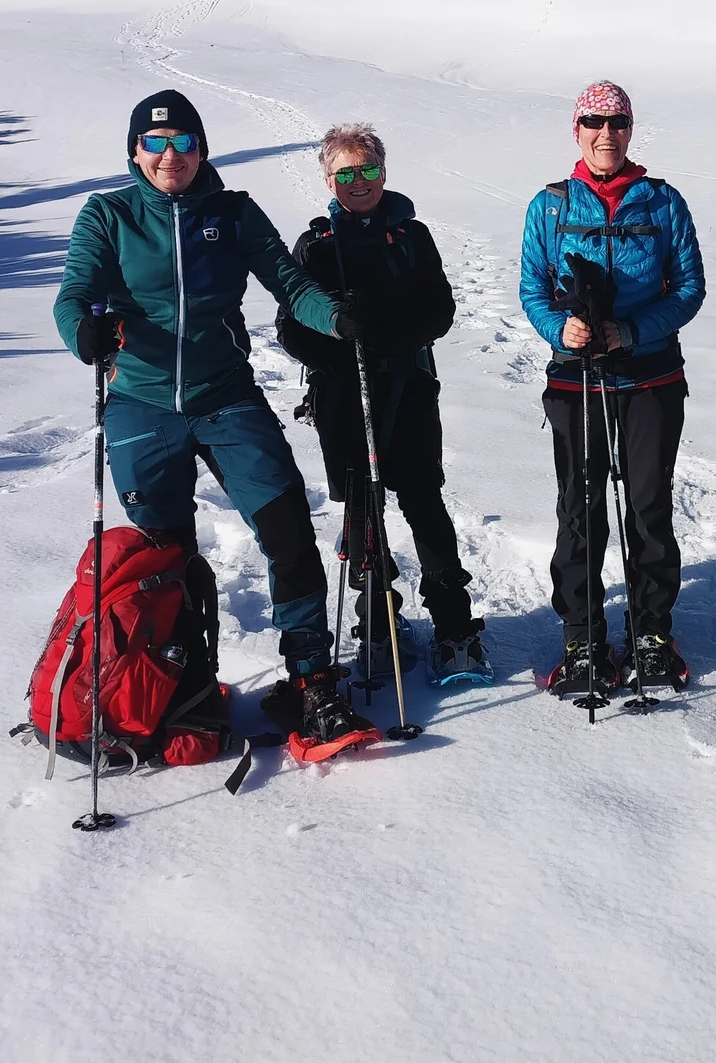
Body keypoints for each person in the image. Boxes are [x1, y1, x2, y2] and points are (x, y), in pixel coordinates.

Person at [53, 89, 381, 761]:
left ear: (201, 148)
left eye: (183, 141)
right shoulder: (107, 215)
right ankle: (184, 684)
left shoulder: (230, 213)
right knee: (164, 557)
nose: (170, 155)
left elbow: (289, 283)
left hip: (226, 395)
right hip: (142, 404)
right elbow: (73, 295)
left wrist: (334, 317)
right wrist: (81, 331)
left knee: (286, 524)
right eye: (155, 142)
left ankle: (311, 680)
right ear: (135, 151)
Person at [275, 123, 488, 686]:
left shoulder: (412, 235)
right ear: (327, 179)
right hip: (345, 396)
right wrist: (340, 348)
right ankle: (378, 622)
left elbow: (440, 309)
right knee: (361, 510)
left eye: (367, 169)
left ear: (384, 173)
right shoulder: (317, 244)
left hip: (409, 387)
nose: (358, 182)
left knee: (424, 501)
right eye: (344, 173)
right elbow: (289, 325)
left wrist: (391, 338)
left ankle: (454, 626)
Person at [518, 81, 706, 701]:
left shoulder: (662, 203)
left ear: (630, 128)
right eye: (594, 122)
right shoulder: (549, 206)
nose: (607, 134)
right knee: (580, 509)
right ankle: (582, 634)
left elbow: (687, 289)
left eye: (618, 122)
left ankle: (651, 630)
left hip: (649, 375)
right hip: (576, 381)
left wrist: (630, 330)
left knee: (648, 504)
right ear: (576, 131)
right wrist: (561, 328)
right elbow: (533, 289)